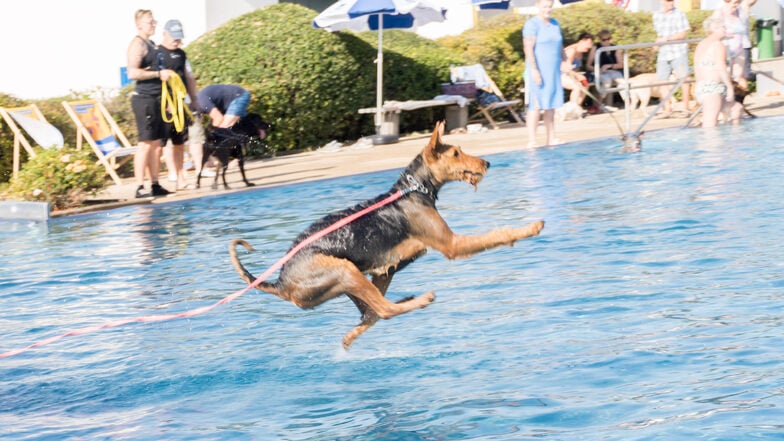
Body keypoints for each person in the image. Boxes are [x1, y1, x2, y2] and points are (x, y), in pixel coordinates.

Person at [126, 9, 170, 198]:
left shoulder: (152, 44)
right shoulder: (138, 45)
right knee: (145, 144)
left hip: (157, 98)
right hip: (143, 99)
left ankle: (155, 183)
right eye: (149, 22)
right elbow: (132, 73)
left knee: (157, 145)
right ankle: (139, 186)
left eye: (154, 22)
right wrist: (158, 74)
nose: (153, 25)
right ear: (139, 25)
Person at [158, 19, 199, 191]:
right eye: (173, 37)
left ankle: (181, 178)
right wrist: (165, 102)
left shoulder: (182, 54)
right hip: (163, 105)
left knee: (179, 142)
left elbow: (189, 77)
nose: (176, 41)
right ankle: (153, 181)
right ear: (165, 34)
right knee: (158, 144)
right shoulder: (157, 53)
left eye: (178, 38)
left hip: (180, 103)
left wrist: (194, 99)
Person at [523, 0, 564, 149]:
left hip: (553, 70)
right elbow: (528, 48)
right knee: (536, 104)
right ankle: (532, 139)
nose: (548, 9)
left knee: (550, 104)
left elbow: (560, 45)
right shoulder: (532, 25)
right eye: (544, 6)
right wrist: (534, 70)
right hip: (538, 69)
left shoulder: (555, 23)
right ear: (538, 7)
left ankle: (551, 137)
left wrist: (565, 61)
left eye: (550, 6)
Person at [190, 84, 253, 175]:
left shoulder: (202, 103)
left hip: (239, 96)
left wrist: (211, 135)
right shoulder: (198, 103)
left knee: (222, 132)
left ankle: (226, 162)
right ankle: (233, 158)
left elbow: (218, 118)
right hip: (232, 99)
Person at [694, 16, 742, 128]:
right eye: (723, 27)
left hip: (705, 86)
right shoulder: (718, 45)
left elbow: (696, 67)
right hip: (712, 87)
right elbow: (721, 66)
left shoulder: (701, 44)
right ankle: (711, 144)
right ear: (714, 29)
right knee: (710, 124)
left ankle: (733, 140)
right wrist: (729, 87)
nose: (725, 29)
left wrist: (698, 87)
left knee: (736, 109)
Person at [653, 0, 692, 117]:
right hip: (664, 53)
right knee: (662, 80)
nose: (670, 3)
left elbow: (682, 34)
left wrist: (667, 39)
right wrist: (657, 43)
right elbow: (659, 34)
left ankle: (686, 107)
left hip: (678, 51)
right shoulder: (657, 15)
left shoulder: (679, 14)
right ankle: (667, 108)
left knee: (684, 79)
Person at [711, 0, 756, 91]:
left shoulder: (740, 11)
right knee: (725, 76)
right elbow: (713, 31)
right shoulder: (719, 13)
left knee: (739, 76)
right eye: (734, 3)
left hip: (740, 48)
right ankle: (726, 99)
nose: (736, 5)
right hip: (725, 49)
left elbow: (750, 2)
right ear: (727, 2)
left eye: (738, 3)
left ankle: (738, 100)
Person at [587, 29, 624, 106]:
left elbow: (621, 64)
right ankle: (599, 104)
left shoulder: (615, 48)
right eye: (604, 40)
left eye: (608, 39)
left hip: (612, 71)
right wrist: (599, 70)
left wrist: (609, 66)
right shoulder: (596, 48)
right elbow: (588, 65)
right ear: (600, 40)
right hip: (598, 72)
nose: (607, 41)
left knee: (623, 83)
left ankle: (629, 103)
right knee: (606, 80)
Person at [560, 32, 594, 110]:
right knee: (576, 86)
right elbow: (565, 68)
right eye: (588, 43)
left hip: (569, 75)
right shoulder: (571, 51)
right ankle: (572, 110)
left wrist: (578, 76)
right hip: (559, 74)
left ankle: (577, 106)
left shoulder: (580, 54)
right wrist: (577, 76)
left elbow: (575, 69)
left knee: (585, 84)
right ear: (582, 41)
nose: (590, 46)